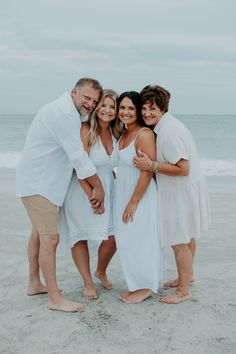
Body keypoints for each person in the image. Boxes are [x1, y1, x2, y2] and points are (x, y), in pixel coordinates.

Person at [16, 78, 105, 312]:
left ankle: (34, 283)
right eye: (86, 98)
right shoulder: (63, 114)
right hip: (39, 183)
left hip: (40, 182)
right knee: (50, 238)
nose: (90, 104)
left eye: (94, 101)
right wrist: (99, 187)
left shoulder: (69, 111)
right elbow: (78, 157)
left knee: (37, 233)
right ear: (74, 92)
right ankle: (54, 298)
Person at [134, 85, 210, 304]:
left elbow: (183, 168)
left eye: (152, 109)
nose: (147, 113)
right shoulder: (168, 125)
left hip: (180, 191)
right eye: (144, 109)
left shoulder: (168, 132)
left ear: (163, 108)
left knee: (179, 241)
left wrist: (151, 165)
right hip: (187, 189)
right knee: (188, 236)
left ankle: (183, 290)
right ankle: (187, 276)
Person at [59, 89, 121, 300]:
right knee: (81, 237)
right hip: (82, 190)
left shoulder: (114, 132)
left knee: (113, 237)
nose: (107, 110)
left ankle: (100, 270)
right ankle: (87, 282)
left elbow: (109, 165)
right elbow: (78, 167)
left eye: (112, 106)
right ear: (95, 107)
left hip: (108, 189)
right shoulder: (85, 130)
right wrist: (93, 196)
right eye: (103, 105)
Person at [114, 91, 163, 304]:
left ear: (138, 111)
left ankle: (146, 286)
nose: (125, 112)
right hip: (123, 192)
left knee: (142, 239)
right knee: (126, 240)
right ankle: (136, 284)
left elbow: (147, 171)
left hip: (140, 196)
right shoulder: (124, 133)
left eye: (131, 108)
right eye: (122, 108)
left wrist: (134, 201)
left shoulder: (144, 134)